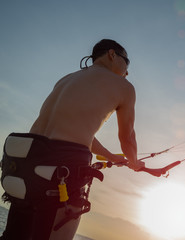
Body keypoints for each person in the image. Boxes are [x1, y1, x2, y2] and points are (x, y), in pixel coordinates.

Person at [0, 39, 145, 239]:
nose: (126, 72)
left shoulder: (67, 78)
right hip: (59, 172)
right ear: (112, 54)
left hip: (23, 165)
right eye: (126, 64)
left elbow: (72, 133)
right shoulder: (124, 86)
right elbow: (127, 138)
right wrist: (135, 162)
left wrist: (111, 156)